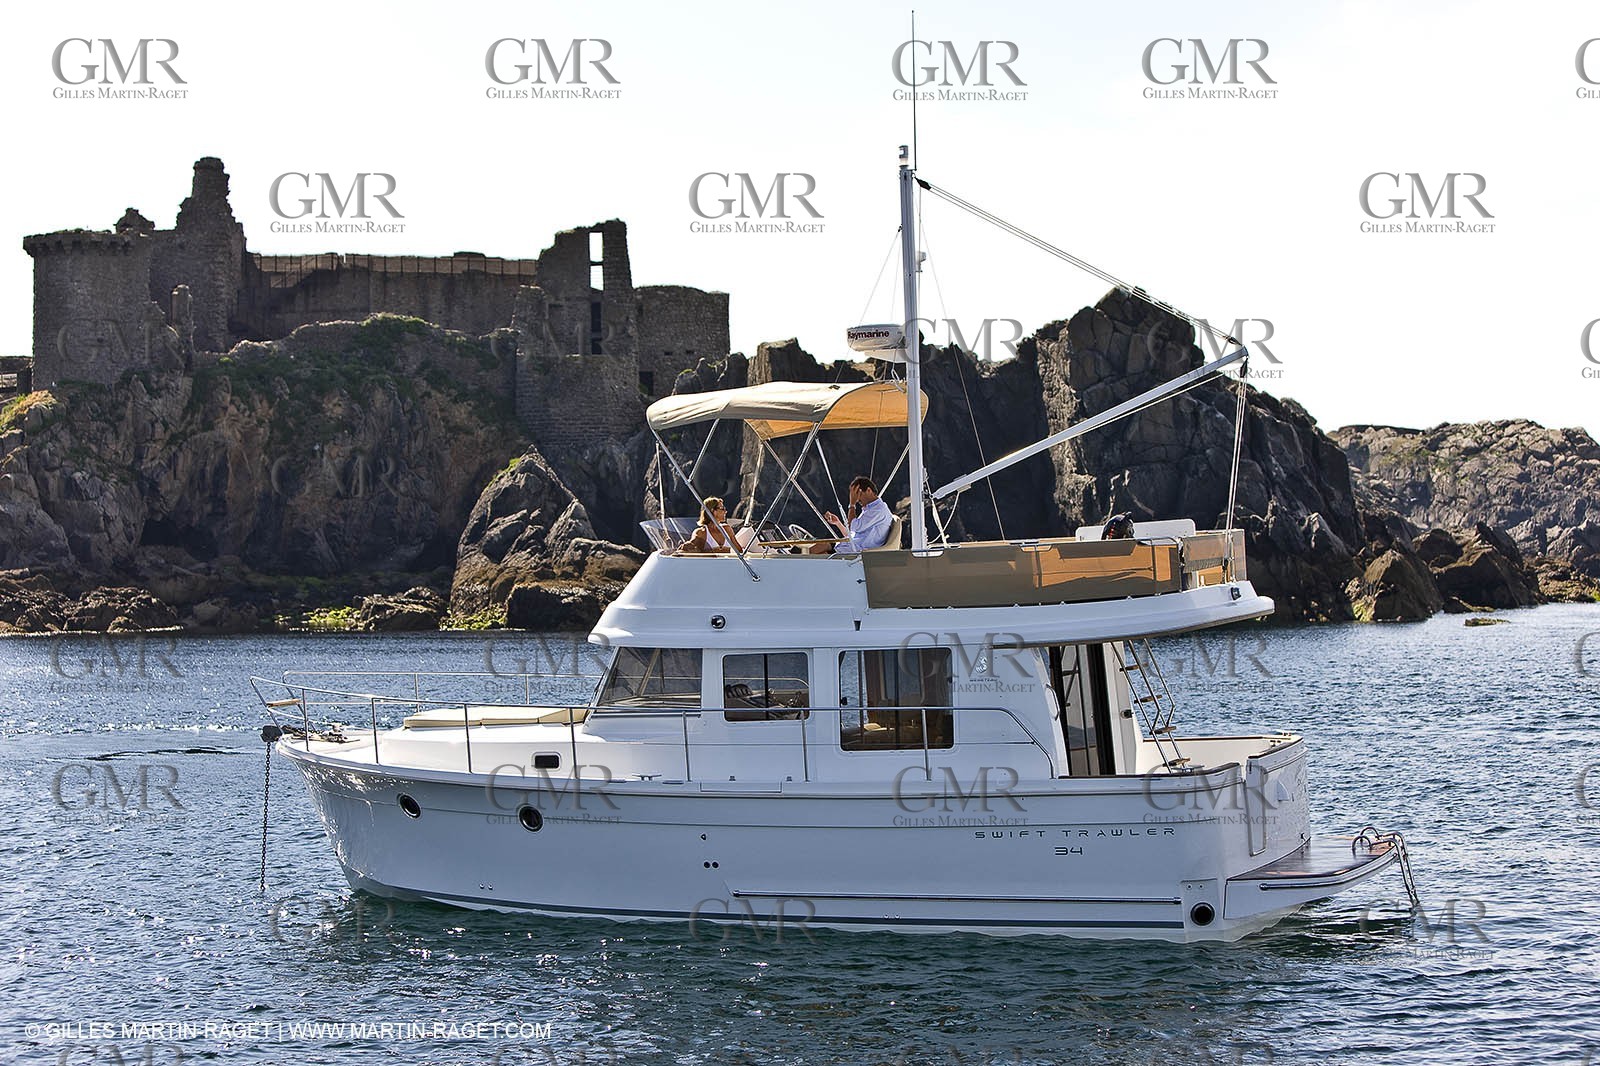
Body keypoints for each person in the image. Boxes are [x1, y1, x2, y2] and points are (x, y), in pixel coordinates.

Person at [808, 476, 894, 554]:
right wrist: (838, 523)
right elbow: (853, 533)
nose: (857, 499)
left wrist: (852, 504)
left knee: (819, 549)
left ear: (869, 490)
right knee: (819, 549)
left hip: (859, 551)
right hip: (852, 546)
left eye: (858, 494)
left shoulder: (878, 510)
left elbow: (853, 527)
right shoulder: (870, 509)